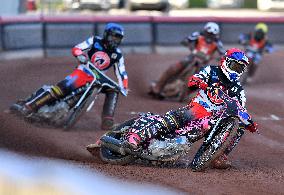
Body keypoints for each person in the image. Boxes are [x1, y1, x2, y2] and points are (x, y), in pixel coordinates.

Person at [124, 48, 258, 169]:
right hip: (197, 109)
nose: (236, 70)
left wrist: (249, 123)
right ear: (226, 61)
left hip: (213, 119)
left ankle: (220, 156)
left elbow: (240, 108)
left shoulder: (238, 90)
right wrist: (202, 83)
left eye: (240, 68)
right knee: (174, 119)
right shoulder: (212, 71)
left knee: (239, 128)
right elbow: (192, 80)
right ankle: (137, 136)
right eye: (234, 66)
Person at [16, 23, 129, 130]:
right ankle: (28, 107)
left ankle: (107, 121)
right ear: (106, 34)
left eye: (118, 38)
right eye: (113, 36)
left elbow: (122, 73)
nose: (115, 40)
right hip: (84, 71)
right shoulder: (95, 40)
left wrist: (124, 86)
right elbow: (77, 48)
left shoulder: (118, 54)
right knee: (62, 88)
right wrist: (79, 55)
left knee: (114, 90)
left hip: (99, 81)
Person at [149, 22, 225, 98]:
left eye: (212, 35)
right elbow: (186, 40)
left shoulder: (218, 43)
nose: (210, 36)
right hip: (192, 57)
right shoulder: (197, 35)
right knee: (174, 67)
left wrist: (220, 58)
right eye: (208, 34)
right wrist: (191, 46)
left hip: (204, 62)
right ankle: (157, 87)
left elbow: (223, 54)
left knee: (209, 77)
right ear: (205, 31)